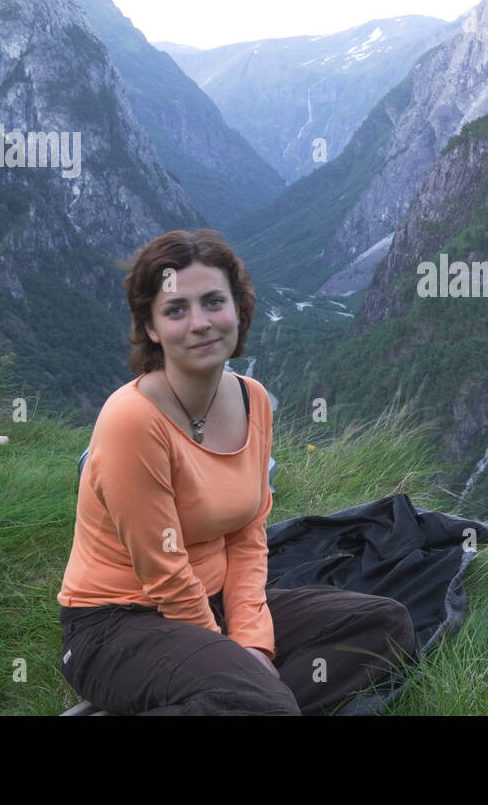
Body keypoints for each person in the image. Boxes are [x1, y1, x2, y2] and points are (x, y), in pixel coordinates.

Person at [56, 229, 416, 715]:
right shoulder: (132, 421)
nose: (200, 322)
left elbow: (248, 535)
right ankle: (241, 700)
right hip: (115, 624)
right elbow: (164, 573)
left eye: (213, 302)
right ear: (152, 328)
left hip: (216, 601)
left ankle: (221, 701)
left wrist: (253, 642)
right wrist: (232, 656)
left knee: (384, 626)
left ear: (238, 309)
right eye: (176, 309)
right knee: (259, 700)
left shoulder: (254, 400)